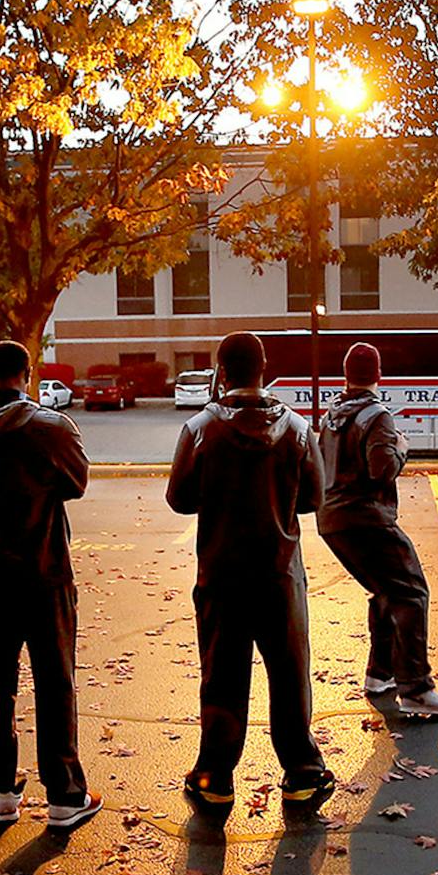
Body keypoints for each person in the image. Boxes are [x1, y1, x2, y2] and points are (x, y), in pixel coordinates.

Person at [168, 331, 337, 807]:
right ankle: (303, 772)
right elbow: (313, 499)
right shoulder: (298, 429)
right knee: (288, 673)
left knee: (221, 675)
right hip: (279, 573)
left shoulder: (201, 428)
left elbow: (179, 498)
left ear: (221, 372)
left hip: (221, 574)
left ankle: (215, 777)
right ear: (264, 370)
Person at [0, 342, 101, 829]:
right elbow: (76, 481)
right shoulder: (48, 428)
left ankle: (1, 792)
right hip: (43, 567)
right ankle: (64, 794)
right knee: (55, 681)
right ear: (27, 374)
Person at [318, 343, 438, 718]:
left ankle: (379, 674)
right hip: (366, 517)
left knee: (385, 590)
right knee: (412, 591)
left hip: (333, 520)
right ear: (379, 375)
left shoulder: (332, 413)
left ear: (346, 374)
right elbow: (381, 469)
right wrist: (401, 448)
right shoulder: (377, 415)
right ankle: (416, 688)